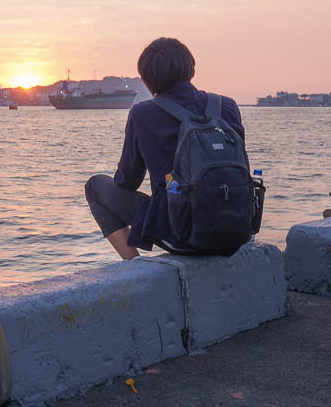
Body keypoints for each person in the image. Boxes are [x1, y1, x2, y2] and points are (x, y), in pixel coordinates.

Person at [85, 37, 245, 259]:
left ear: (147, 79)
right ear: (191, 68)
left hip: (179, 233)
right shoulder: (226, 106)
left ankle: (134, 265)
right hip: (236, 228)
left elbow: (127, 180)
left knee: (95, 186)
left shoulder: (143, 113)